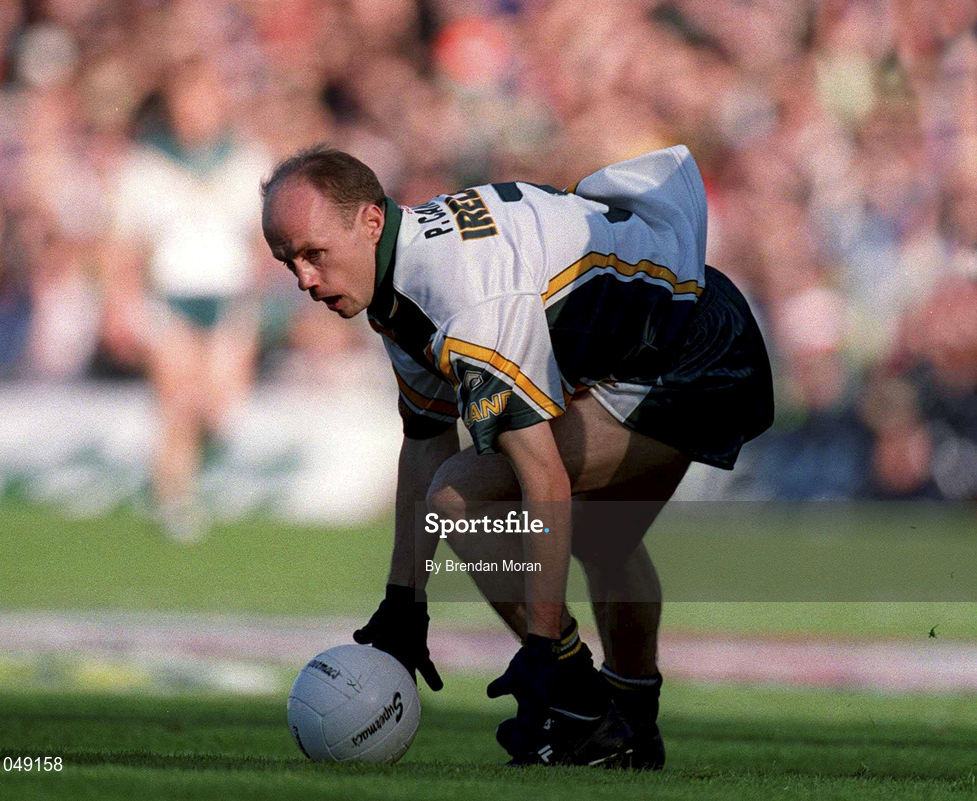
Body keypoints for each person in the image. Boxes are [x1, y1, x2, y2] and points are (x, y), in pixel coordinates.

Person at [260, 145, 773, 766]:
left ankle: (581, 703)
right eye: (288, 261)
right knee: (603, 538)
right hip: (676, 326)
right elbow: (424, 442)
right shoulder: (401, 279)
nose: (304, 280)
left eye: (315, 254)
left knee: (461, 495)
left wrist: (542, 652)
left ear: (371, 221)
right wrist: (404, 601)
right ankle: (630, 725)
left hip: (691, 357)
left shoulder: (461, 298)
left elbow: (542, 482)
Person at [103, 60, 270, 541]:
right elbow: (124, 244)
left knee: (218, 405)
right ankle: (173, 497)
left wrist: (259, 301)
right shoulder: (146, 165)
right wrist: (120, 303)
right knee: (175, 401)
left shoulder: (246, 161)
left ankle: (193, 474)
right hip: (170, 295)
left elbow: (263, 238)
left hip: (229, 296)